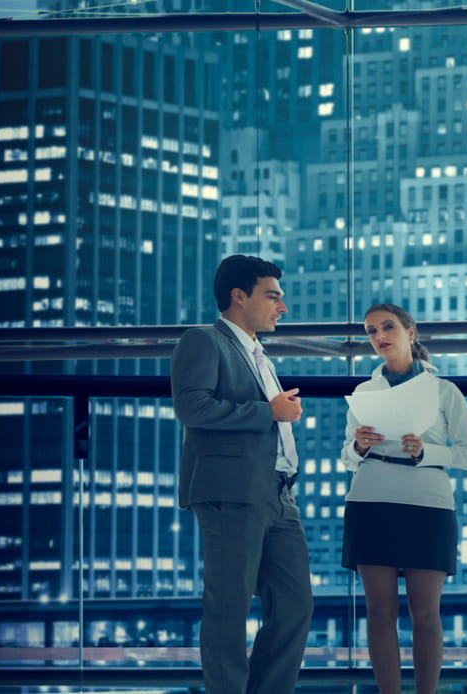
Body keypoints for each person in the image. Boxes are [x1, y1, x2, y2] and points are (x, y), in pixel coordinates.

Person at [170, 254, 312, 694]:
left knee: (295, 605)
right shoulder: (203, 340)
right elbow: (191, 407)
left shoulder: (259, 355)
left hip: (278, 496)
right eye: (273, 296)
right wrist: (267, 411)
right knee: (228, 609)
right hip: (231, 493)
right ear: (239, 296)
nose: (281, 307)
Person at [341, 302, 467, 694]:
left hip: (428, 503)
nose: (379, 336)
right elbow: (346, 458)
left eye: (387, 327)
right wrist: (359, 446)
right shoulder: (364, 392)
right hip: (371, 501)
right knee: (380, 612)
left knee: (425, 613)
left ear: (410, 332)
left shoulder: (444, 391)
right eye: (370, 331)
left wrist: (427, 452)